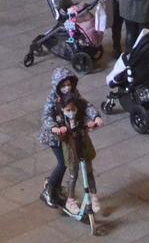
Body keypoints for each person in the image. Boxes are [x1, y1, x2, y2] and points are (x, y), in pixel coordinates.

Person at [38, 67, 102, 215]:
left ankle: (57, 185)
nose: (67, 87)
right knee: (63, 163)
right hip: (56, 137)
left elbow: (84, 105)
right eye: (63, 85)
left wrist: (95, 116)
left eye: (69, 84)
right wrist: (54, 127)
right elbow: (46, 116)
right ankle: (49, 190)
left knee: (73, 161)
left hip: (71, 136)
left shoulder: (74, 95)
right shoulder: (52, 98)